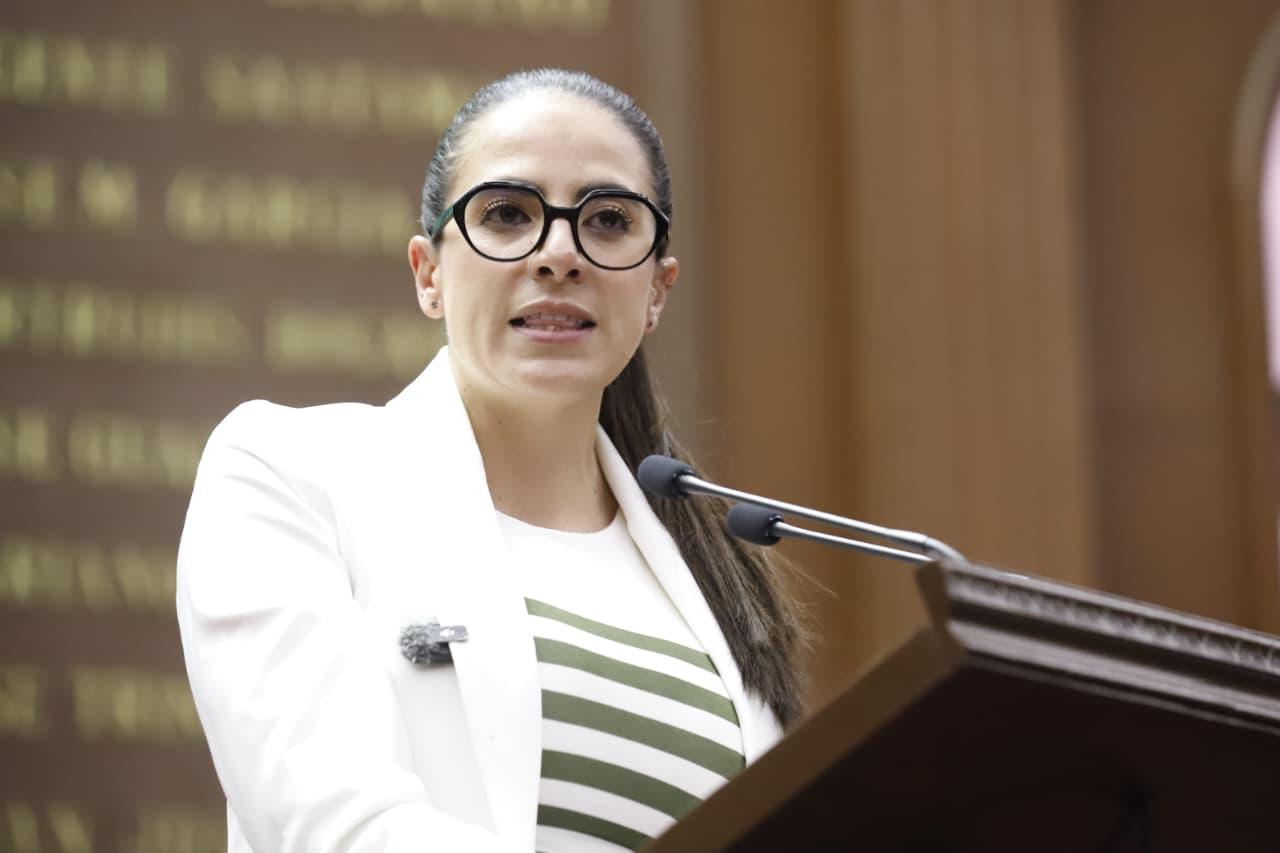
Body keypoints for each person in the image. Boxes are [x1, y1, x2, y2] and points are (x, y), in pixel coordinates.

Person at [176, 68, 805, 853]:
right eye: (508, 213)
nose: (560, 252)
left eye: (609, 220)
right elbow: (339, 828)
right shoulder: (291, 472)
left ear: (657, 291)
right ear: (429, 273)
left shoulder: (715, 572)